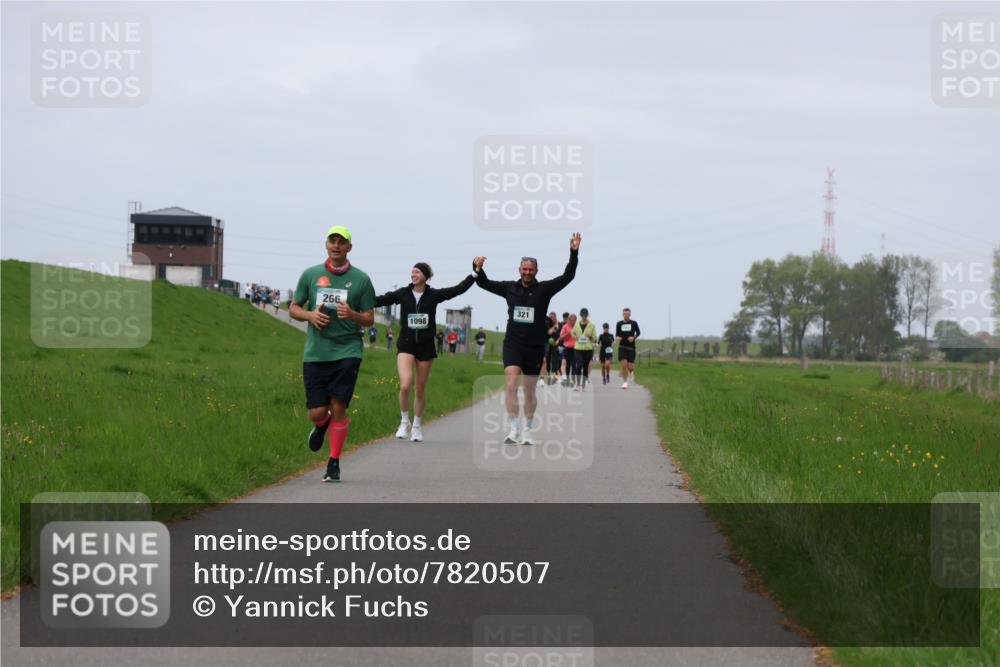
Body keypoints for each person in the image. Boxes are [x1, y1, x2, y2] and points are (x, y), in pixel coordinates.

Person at [473, 232, 581, 445]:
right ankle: (513, 430)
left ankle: (528, 430)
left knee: (529, 390)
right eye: (524, 269)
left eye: (531, 270)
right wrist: (477, 268)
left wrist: (574, 253)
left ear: (536, 271)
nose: (527, 273)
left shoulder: (544, 290)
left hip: (534, 346)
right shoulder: (509, 288)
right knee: (511, 383)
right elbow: (483, 283)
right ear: (519, 270)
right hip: (513, 344)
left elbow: (568, 276)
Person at [289, 225, 376, 483]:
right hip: (316, 352)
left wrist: (353, 315)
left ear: (349, 247)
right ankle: (321, 425)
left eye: (342, 242)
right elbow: (294, 308)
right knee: (318, 411)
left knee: (338, 404)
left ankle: (334, 463)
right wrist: (310, 315)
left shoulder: (361, 280)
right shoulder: (311, 275)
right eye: (332, 241)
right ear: (326, 245)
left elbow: (370, 318)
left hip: (348, 350)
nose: (336, 245)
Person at [375, 263, 476, 442]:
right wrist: (359, 297)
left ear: (426, 276)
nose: (413, 274)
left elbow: (458, 289)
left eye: (417, 272)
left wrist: (475, 273)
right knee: (405, 385)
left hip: (426, 346)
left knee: (420, 389)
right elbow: (381, 300)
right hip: (406, 344)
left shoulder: (433, 295)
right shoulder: (403, 293)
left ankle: (417, 426)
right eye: (412, 271)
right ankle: (404, 422)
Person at [572, 307, 597, 391]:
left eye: (585, 315)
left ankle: (583, 385)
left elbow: (595, 338)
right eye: (582, 315)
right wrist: (575, 337)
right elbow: (572, 333)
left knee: (585, 367)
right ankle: (578, 384)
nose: (584, 317)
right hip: (578, 348)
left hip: (588, 348)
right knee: (579, 365)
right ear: (580, 315)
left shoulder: (591, 325)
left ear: (587, 315)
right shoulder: (576, 324)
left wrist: (590, 336)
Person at [615, 307, 641, 388]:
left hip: (631, 348)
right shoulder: (619, 323)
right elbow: (617, 335)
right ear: (623, 314)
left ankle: (632, 372)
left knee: (630, 366)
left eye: (627, 314)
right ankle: (625, 382)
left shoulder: (634, 323)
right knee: (624, 365)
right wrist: (618, 338)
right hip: (622, 347)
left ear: (630, 314)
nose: (626, 315)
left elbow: (638, 332)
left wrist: (633, 338)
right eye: (624, 314)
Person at [559, 313, 577, 387]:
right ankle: (565, 378)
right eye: (571, 320)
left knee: (573, 364)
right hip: (566, 347)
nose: (573, 322)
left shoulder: (577, 327)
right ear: (569, 320)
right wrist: (568, 333)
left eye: (574, 320)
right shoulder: (565, 326)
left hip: (575, 348)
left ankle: (572, 380)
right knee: (565, 363)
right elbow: (561, 337)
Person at [545, 312, 561, 385]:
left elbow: (561, 334)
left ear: (555, 317)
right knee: (547, 359)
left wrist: (558, 341)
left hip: (557, 344)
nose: (551, 318)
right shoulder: (548, 323)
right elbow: (549, 332)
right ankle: (548, 375)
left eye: (552, 317)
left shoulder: (560, 324)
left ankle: (556, 376)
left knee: (556, 360)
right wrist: (554, 326)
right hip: (548, 343)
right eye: (550, 317)